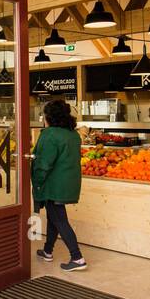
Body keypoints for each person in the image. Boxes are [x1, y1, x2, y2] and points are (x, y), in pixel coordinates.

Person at [32, 98, 86, 272]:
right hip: (68, 184)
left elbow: (43, 163)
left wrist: (37, 182)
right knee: (53, 218)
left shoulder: (50, 135)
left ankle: (77, 257)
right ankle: (48, 251)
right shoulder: (72, 134)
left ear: (49, 117)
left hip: (53, 185)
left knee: (60, 220)